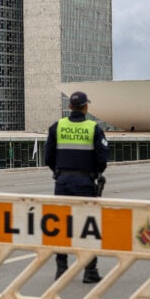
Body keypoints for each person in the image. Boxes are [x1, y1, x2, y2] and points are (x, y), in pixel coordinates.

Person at [44, 91, 109, 282]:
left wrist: (60, 171)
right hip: (84, 183)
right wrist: (95, 173)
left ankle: (61, 270)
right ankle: (90, 271)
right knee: (87, 226)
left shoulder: (58, 126)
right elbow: (102, 158)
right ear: (86, 107)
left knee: (61, 226)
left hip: (62, 182)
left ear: (70, 107)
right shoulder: (93, 128)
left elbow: (48, 156)